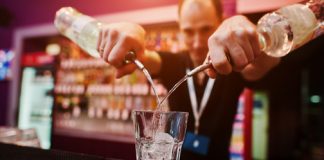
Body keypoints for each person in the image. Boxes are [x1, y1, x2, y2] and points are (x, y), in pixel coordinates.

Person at [97, 0, 280, 159]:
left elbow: (261, 65)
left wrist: (259, 42)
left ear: (220, 21)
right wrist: (130, 33)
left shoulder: (234, 64)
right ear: (180, 28)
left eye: (206, 29)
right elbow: (144, 58)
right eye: (188, 31)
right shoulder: (174, 62)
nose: (198, 42)